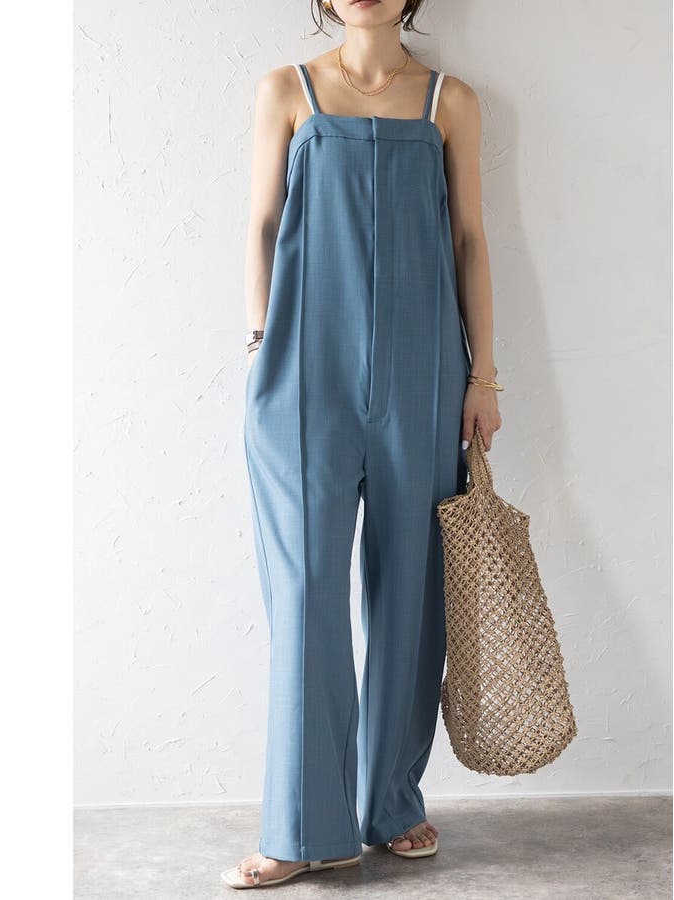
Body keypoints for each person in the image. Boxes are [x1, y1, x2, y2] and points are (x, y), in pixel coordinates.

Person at [223, 0, 502, 889]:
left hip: (425, 371)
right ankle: (304, 826)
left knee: (409, 591)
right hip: (304, 371)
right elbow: (260, 224)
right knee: (306, 590)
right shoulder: (286, 90)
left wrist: (482, 375)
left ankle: (391, 803)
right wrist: (262, 347)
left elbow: (470, 238)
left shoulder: (450, 100)